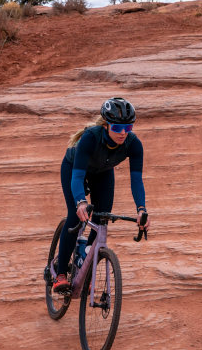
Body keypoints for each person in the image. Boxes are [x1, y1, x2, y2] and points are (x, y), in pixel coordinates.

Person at [52, 97, 150, 293]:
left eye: (128, 128)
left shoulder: (134, 144)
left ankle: (85, 258)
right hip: (74, 169)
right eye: (117, 128)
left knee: (102, 218)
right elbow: (77, 177)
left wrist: (141, 209)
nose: (123, 133)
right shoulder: (90, 138)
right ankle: (61, 273)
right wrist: (80, 202)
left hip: (103, 173)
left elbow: (136, 180)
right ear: (106, 126)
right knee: (74, 215)